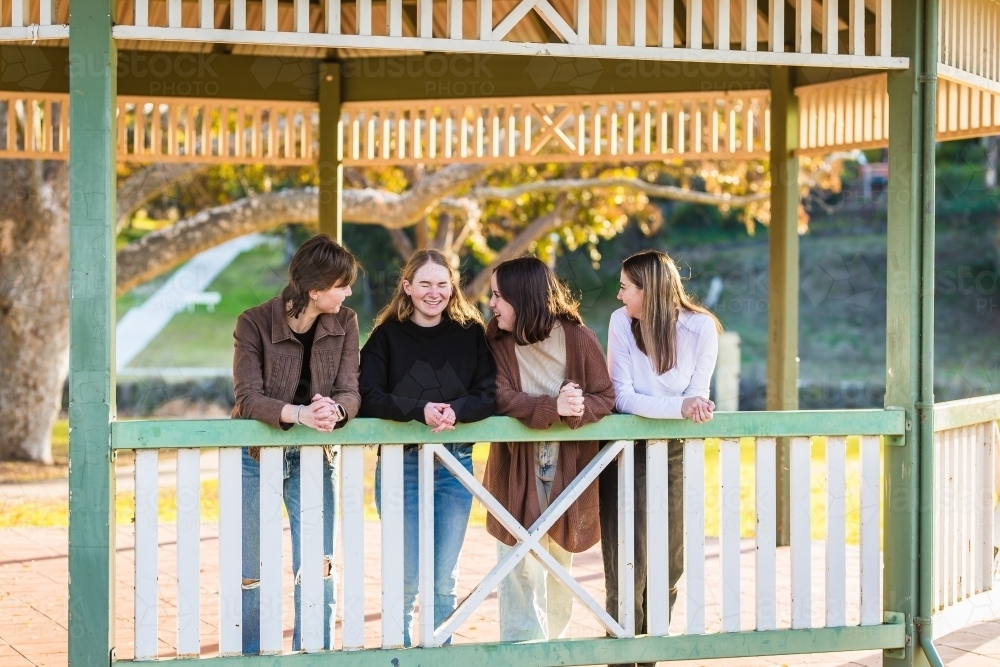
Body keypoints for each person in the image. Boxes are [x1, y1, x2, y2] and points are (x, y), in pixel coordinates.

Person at [359, 248, 496, 646]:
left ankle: (440, 654)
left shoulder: (471, 334)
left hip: (456, 466)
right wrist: (419, 410)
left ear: (452, 287)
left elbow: (490, 394)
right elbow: (367, 394)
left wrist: (456, 411)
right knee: (405, 576)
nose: (433, 293)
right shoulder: (387, 336)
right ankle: (398, 654)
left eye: (442, 284)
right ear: (407, 287)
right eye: (424, 284)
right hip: (402, 468)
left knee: (442, 578)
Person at [232, 234, 361, 653]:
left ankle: (316, 656)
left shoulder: (345, 322)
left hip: (314, 457)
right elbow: (248, 399)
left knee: (318, 566)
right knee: (252, 570)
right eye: (342, 285)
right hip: (255, 458)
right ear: (315, 290)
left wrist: (334, 412)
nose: (349, 292)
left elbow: (350, 391)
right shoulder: (253, 322)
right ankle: (253, 657)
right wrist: (300, 413)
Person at [484, 256, 616, 641]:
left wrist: (576, 408)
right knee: (517, 561)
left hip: (569, 462)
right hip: (516, 462)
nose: (491, 304)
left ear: (522, 298)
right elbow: (497, 396)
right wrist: (550, 407)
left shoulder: (578, 338)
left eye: (498, 296)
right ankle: (522, 652)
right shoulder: (495, 339)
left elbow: (605, 396)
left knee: (559, 558)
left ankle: (552, 651)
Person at [601, 249, 721, 667]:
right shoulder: (621, 324)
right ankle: (620, 656)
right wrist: (678, 407)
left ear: (647, 290)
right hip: (625, 450)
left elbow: (699, 397)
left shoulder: (701, 328)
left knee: (669, 560)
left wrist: (689, 406)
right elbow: (622, 397)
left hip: (675, 452)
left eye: (624, 288)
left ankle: (649, 655)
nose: (619, 297)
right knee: (625, 563)